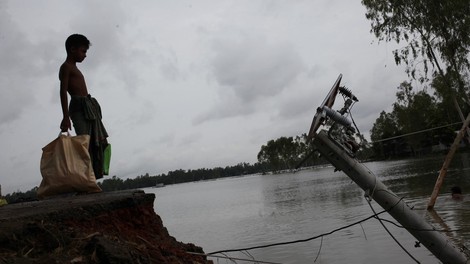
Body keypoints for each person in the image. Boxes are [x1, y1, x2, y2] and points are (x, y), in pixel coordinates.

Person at [59, 34, 109, 179]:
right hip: (78, 108)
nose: (85, 55)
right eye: (83, 51)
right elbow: (63, 92)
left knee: (96, 143)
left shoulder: (75, 68)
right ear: (72, 49)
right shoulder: (66, 67)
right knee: (83, 144)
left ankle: (92, 178)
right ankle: (84, 179)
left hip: (88, 107)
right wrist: (65, 116)